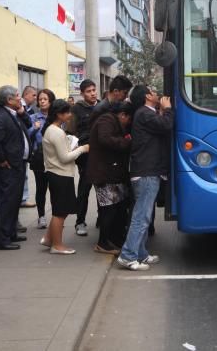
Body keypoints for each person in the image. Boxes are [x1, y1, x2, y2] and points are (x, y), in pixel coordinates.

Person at [117, 85, 173, 271]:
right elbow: (166, 126)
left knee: (144, 216)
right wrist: (168, 110)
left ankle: (140, 253)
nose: (158, 93)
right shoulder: (145, 113)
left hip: (147, 171)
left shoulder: (145, 113)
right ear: (148, 97)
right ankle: (128, 255)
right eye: (154, 91)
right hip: (146, 172)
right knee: (141, 217)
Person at [40, 99, 89, 254]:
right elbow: (65, 157)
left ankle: (49, 238)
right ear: (59, 114)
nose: (69, 115)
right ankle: (57, 245)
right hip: (60, 174)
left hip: (57, 173)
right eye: (67, 112)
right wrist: (82, 149)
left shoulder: (53, 130)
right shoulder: (56, 132)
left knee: (62, 210)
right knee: (60, 212)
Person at [0, 85, 32, 250]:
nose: (20, 98)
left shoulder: (13, 113)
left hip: (18, 164)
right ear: (9, 100)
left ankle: (10, 232)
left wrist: (22, 112)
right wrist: (1, 159)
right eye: (18, 96)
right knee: (6, 202)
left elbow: (28, 124)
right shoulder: (0, 117)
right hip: (8, 167)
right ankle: (1, 239)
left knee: (13, 201)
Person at [87, 101, 134, 254]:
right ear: (122, 115)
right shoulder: (106, 120)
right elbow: (105, 139)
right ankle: (102, 243)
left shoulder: (111, 121)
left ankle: (113, 239)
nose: (128, 123)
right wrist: (126, 142)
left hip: (111, 173)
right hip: (104, 174)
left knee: (117, 208)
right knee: (108, 208)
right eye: (128, 119)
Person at [68, 79, 98, 237]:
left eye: (94, 90)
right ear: (82, 94)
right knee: (84, 190)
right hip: (85, 156)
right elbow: (71, 132)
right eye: (89, 91)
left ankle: (102, 219)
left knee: (102, 189)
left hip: (101, 155)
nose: (93, 93)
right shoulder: (76, 109)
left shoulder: (101, 106)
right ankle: (80, 222)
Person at [30, 89, 55, 229]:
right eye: (40, 99)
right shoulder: (34, 118)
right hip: (39, 157)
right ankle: (41, 216)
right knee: (41, 188)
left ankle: (56, 217)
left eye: (45, 99)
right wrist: (34, 129)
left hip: (53, 157)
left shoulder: (55, 117)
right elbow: (27, 135)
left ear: (50, 101)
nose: (42, 101)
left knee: (55, 188)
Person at [20, 85, 39, 209]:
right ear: (26, 95)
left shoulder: (30, 110)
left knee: (24, 175)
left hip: (26, 149)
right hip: (19, 148)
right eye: (34, 95)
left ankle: (23, 198)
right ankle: (21, 199)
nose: (36, 98)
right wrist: (34, 128)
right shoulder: (20, 109)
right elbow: (25, 130)